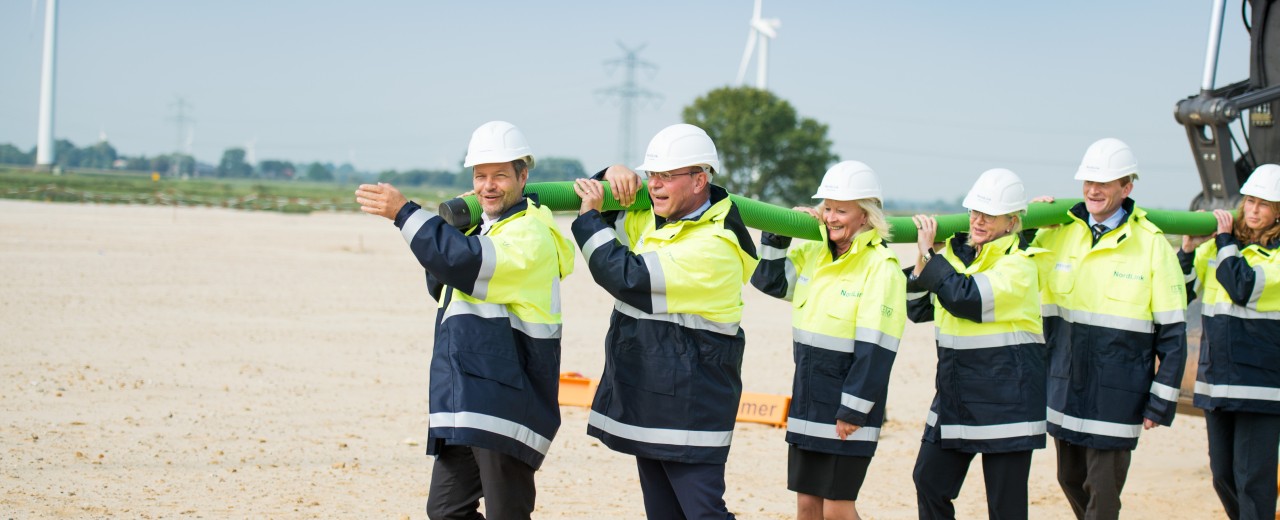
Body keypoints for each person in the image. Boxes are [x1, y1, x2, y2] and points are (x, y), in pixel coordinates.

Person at [354, 121, 575, 520]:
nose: (488, 186)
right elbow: (442, 282)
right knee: (445, 511)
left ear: (523, 177)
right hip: (466, 396)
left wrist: (405, 213)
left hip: (506, 400)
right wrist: (454, 224)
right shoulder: (486, 226)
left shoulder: (530, 234)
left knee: (507, 514)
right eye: (480, 176)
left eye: (500, 176)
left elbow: (467, 263)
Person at [570, 123, 758, 520]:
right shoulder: (660, 220)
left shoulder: (716, 244)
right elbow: (614, 212)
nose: (654, 185)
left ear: (700, 180)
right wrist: (611, 175)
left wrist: (587, 220)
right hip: (652, 397)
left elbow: (629, 278)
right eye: (651, 175)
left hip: (690, 406)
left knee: (703, 512)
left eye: (666, 176)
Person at [1029, 138, 1187, 520]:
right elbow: (1014, 271)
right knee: (1069, 479)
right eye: (1088, 183)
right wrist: (1025, 223)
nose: (1093, 191)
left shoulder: (1151, 246)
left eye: (1104, 184)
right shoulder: (1056, 233)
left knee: (1103, 495)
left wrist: (1160, 402)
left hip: (1118, 394)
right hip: (1066, 387)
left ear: (1126, 188)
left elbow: (1174, 336)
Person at [749, 160, 906, 520]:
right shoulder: (814, 252)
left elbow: (878, 346)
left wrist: (854, 408)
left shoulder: (882, 266)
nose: (832, 217)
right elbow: (769, 281)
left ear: (866, 215)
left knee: (837, 508)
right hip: (808, 398)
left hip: (848, 405)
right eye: (828, 208)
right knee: (807, 506)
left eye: (842, 210)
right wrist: (779, 232)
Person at [906, 168, 1049, 520]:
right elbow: (917, 307)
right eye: (974, 211)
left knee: (1006, 509)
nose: (978, 220)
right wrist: (927, 256)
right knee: (929, 481)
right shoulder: (953, 257)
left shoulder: (1020, 266)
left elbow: (965, 298)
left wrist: (932, 256)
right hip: (956, 397)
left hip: (1008, 405)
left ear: (1012, 221)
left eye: (989, 214)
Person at [1180, 164, 1280, 520]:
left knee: (1253, 480)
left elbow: (1242, 287)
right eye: (1250, 201)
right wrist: (1189, 252)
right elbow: (1183, 291)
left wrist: (1223, 241)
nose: (1253, 210)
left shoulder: (1275, 257)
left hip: (1260, 387)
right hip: (1217, 381)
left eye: (1264, 204)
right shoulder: (1224, 249)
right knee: (1223, 476)